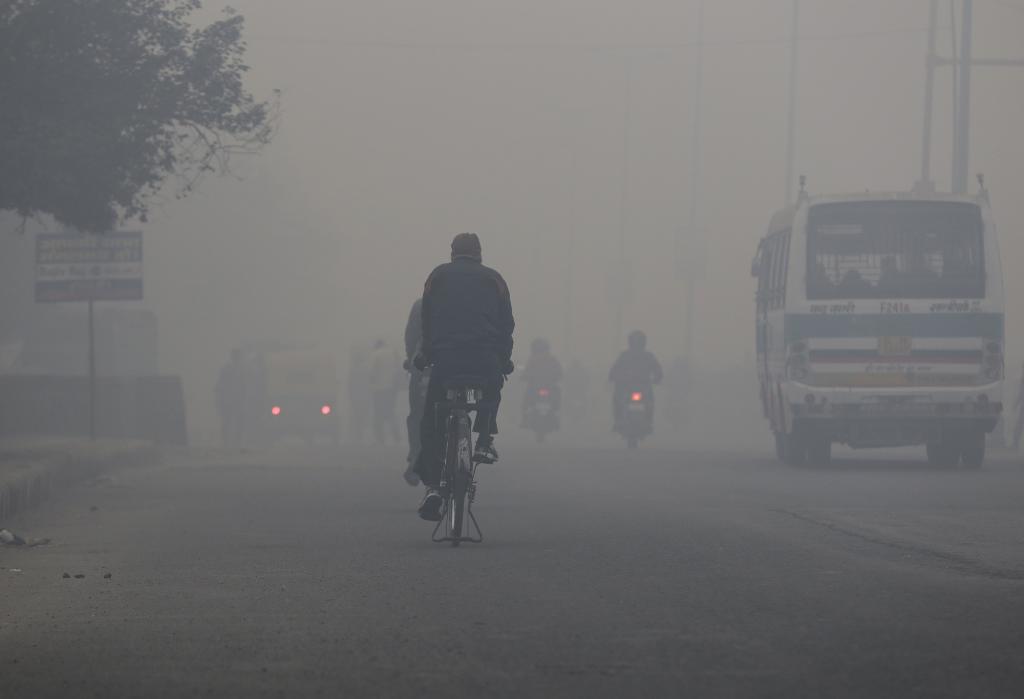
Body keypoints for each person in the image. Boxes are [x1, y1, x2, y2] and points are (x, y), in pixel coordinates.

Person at [412, 233, 515, 521]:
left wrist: (426, 354)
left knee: (431, 419)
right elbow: (507, 324)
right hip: (484, 359)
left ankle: (433, 486)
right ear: (479, 253)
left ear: (452, 253)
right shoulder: (495, 279)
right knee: (492, 390)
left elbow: (427, 320)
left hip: (446, 360)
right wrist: (504, 359)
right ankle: (484, 437)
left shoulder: (437, 276)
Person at [609, 330, 663, 431]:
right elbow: (615, 368)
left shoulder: (645, 356)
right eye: (635, 342)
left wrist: (658, 378)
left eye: (638, 342)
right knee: (617, 400)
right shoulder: (628, 356)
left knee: (649, 402)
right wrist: (612, 377)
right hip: (628, 387)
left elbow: (657, 369)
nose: (636, 345)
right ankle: (619, 420)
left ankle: (648, 420)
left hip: (641, 387)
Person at [403, 298, 428, 485]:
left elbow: (411, 337)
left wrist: (410, 358)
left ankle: (415, 459)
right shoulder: (472, 301)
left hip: (425, 366)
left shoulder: (423, 304)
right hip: (467, 368)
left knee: (418, 414)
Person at [520, 337, 562, 425]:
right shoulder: (551, 359)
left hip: (538, 387)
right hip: (543, 387)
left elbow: (526, 373)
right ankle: (525, 418)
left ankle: (524, 418)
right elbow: (559, 372)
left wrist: (524, 377)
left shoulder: (533, 359)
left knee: (526, 400)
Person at [369, 339, 402, 444]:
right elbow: (399, 369)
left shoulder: (375, 354)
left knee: (378, 413)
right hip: (392, 389)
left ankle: (380, 438)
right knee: (390, 412)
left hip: (378, 389)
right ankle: (396, 435)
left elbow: (371, 373)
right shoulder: (393, 353)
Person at [215, 349, 247, 447]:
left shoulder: (241, 370)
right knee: (229, 421)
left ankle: (235, 441)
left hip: (236, 400)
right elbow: (221, 385)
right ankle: (227, 441)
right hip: (230, 400)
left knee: (236, 421)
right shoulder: (229, 369)